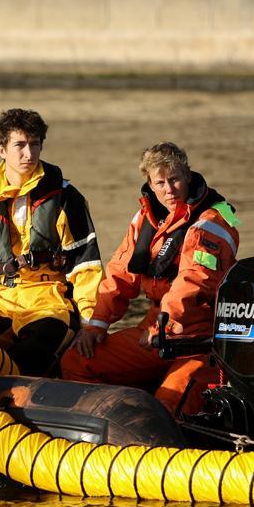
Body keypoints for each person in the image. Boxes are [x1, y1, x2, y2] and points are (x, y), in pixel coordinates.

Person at [61, 141, 240, 416]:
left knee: (168, 408)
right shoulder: (146, 218)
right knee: (77, 361)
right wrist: (96, 325)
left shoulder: (212, 221)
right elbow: (121, 274)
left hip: (198, 338)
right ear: (149, 183)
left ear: (188, 176)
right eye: (160, 183)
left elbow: (193, 281)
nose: (169, 189)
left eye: (175, 179)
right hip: (156, 332)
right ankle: (111, 426)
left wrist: (161, 327)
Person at [0, 108, 103, 376]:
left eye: (35, 145)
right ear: (1, 149)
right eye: (20, 145)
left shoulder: (66, 196)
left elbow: (86, 269)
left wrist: (89, 325)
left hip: (49, 302)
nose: (29, 154)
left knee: (29, 354)